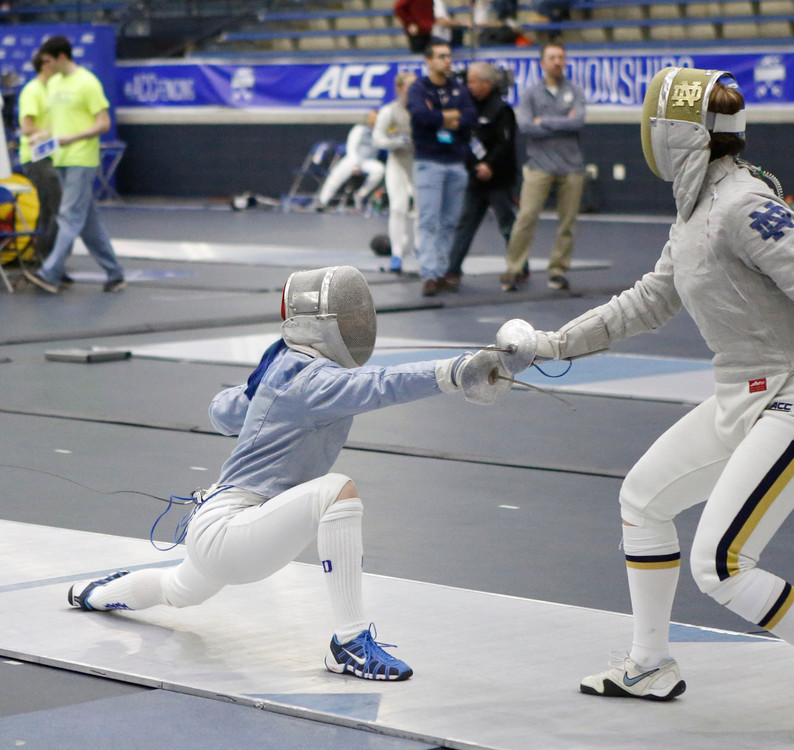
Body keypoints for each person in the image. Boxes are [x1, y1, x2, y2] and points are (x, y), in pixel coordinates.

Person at [519, 67, 794, 741]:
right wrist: (552, 344)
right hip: (741, 394)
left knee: (723, 563)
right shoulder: (694, 211)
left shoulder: (742, 206)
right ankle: (650, 663)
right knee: (643, 499)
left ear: (676, 136)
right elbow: (646, 301)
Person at [66, 266, 506, 680]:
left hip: (229, 523)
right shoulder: (309, 379)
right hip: (231, 526)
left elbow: (222, 412)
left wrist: (259, 392)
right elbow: (379, 384)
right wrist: (455, 370)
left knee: (178, 589)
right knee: (336, 492)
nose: (359, 323)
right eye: (351, 315)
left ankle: (91, 594)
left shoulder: (287, 366)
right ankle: (350, 643)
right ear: (328, 324)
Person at [22, 35, 126, 294]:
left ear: (61, 57)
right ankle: (115, 273)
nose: (45, 66)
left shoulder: (87, 83)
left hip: (82, 158)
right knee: (88, 223)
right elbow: (59, 123)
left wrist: (74, 137)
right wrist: (42, 137)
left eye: (48, 60)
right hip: (61, 158)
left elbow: (103, 123)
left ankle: (50, 272)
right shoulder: (54, 84)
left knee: (68, 216)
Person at [501, 42, 585, 292]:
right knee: (526, 218)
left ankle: (558, 270)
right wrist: (562, 121)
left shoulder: (576, 91)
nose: (557, 61)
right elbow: (526, 127)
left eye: (561, 57)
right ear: (542, 63)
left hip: (572, 167)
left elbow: (578, 122)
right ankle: (513, 269)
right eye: (552, 57)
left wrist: (544, 121)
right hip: (539, 166)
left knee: (567, 222)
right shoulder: (530, 94)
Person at [406, 42, 476, 297]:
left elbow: (469, 117)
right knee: (428, 220)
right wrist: (449, 117)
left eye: (449, 56)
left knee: (449, 221)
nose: (447, 61)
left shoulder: (458, 87)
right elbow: (422, 116)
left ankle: (445, 271)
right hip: (429, 162)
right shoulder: (419, 88)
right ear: (429, 60)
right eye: (441, 56)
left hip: (456, 163)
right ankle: (429, 274)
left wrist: (441, 116)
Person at [444, 62, 517, 292]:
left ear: (486, 83)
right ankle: (452, 269)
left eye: (473, 82)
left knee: (507, 225)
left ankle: (519, 266)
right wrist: (476, 166)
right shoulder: (466, 108)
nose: (469, 86)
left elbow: (505, 143)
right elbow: (462, 138)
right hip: (476, 179)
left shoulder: (502, 109)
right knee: (465, 224)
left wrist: (490, 165)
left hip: (499, 179)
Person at [18, 50, 63, 263]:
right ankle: (47, 259)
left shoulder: (53, 90)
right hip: (36, 158)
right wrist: (51, 132)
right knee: (55, 207)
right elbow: (27, 127)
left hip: (51, 155)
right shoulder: (32, 91)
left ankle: (44, 258)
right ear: (45, 64)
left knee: (49, 207)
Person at [373, 71, 418, 274]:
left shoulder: (423, 110)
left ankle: (421, 251)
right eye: (409, 86)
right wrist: (396, 142)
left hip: (419, 164)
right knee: (398, 208)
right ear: (400, 89)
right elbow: (377, 139)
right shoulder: (389, 112)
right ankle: (397, 254)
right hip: (397, 163)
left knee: (420, 210)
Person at [314, 112, 385, 214]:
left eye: (376, 118)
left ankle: (361, 195)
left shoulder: (379, 133)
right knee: (337, 174)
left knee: (379, 169)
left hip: (368, 162)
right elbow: (351, 147)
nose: (374, 120)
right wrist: (356, 164)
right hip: (353, 159)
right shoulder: (359, 129)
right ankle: (323, 200)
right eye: (372, 118)